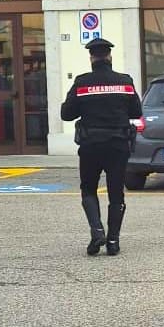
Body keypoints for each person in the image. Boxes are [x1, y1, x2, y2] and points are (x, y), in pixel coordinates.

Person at [61, 37, 142, 256]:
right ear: (109, 57)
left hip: (91, 145)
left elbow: (66, 114)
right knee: (116, 193)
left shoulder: (82, 82)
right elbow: (137, 112)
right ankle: (113, 241)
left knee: (88, 188)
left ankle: (97, 231)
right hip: (118, 146)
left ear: (91, 58)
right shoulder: (125, 81)